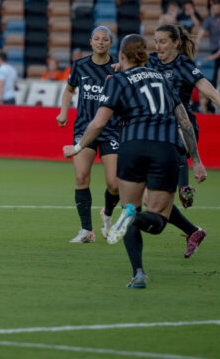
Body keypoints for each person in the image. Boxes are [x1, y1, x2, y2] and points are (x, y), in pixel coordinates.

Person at [64, 35, 206, 289]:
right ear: (146, 55)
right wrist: (195, 160)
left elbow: (98, 123)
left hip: (131, 148)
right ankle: (137, 219)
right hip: (164, 149)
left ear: (120, 56)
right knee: (158, 219)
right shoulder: (162, 79)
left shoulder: (116, 80)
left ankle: (138, 273)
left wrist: (77, 147)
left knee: (130, 206)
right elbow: (185, 122)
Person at [148, 24, 220, 257]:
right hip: (156, 131)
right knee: (152, 203)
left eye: (163, 41)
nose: (158, 46)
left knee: (172, 141)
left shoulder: (185, 66)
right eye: (156, 41)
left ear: (176, 43)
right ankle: (193, 231)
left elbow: (212, 94)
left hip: (183, 128)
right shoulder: (151, 62)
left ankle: (184, 184)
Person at [57, 26, 121, 243]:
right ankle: (86, 231)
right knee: (81, 176)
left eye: (105, 39)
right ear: (91, 42)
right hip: (84, 129)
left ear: (111, 43)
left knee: (114, 184)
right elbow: (69, 89)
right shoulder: (80, 65)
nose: (100, 42)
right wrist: (64, 110)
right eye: (96, 39)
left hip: (111, 129)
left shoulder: (117, 68)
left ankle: (108, 213)